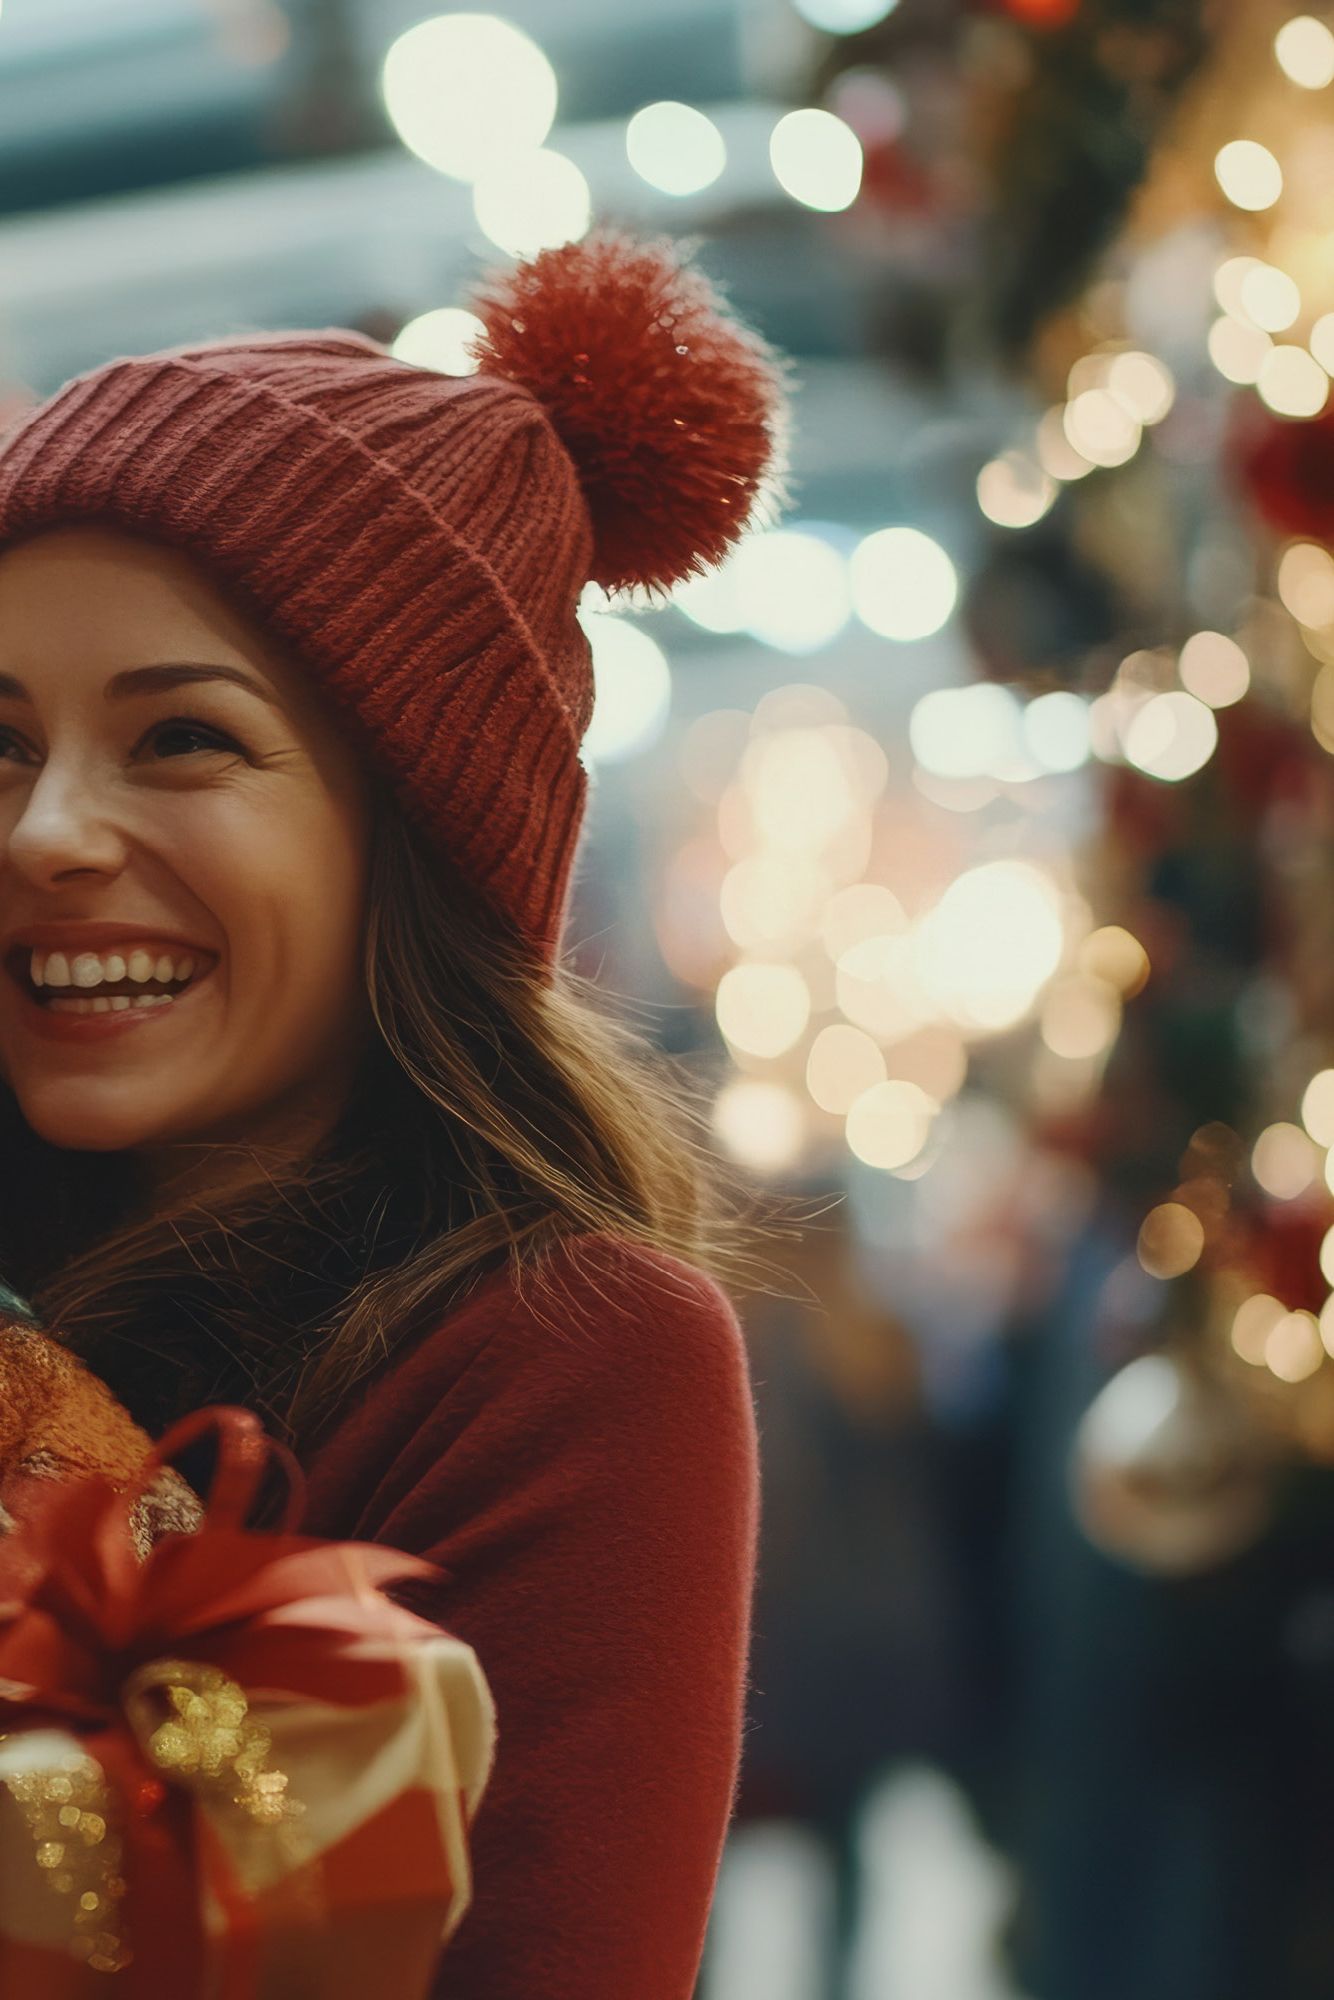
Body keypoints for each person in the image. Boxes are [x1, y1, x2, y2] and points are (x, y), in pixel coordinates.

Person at [0, 224, 795, 1997]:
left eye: (183, 738)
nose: (46, 831)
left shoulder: (566, 1354)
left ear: (409, 839)